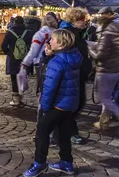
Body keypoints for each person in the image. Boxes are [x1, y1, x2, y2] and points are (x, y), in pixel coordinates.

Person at [23, 29, 81, 177]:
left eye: (53, 40)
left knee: (42, 131)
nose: (49, 42)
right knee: (63, 133)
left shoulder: (57, 61)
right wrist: (50, 55)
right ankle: (67, 163)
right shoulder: (73, 56)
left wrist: (45, 107)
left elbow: (49, 87)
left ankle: (39, 163)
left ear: (61, 44)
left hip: (58, 104)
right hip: (70, 102)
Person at [88, 14, 119, 135]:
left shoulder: (106, 34)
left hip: (106, 70)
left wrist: (89, 50)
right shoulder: (118, 31)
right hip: (117, 68)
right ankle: (103, 121)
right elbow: (109, 48)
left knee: (105, 99)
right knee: (108, 96)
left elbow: (101, 55)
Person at [59, 7, 90, 145]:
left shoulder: (79, 33)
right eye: (83, 20)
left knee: (78, 102)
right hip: (72, 75)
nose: (85, 22)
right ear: (75, 20)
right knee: (74, 104)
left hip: (79, 75)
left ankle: (64, 130)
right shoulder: (69, 34)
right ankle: (68, 131)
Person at [1, 16, 33, 107]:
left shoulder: (9, 32)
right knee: (23, 78)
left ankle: (15, 100)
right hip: (24, 59)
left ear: (14, 22)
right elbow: (31, 46)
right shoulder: (28, 33)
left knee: (14, 78)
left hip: (13, 59)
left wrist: (9, 53)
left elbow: (3, 46)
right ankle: (21, 98)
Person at [21, 14, 58, 81]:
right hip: (55, 61)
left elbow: (34, 50)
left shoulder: (40, 33)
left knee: (42, 84)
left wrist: (25, 62)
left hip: (40, 61)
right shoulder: (57, 33)